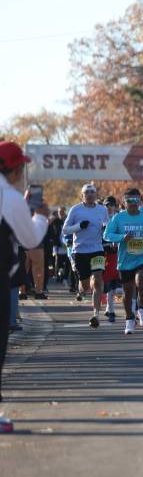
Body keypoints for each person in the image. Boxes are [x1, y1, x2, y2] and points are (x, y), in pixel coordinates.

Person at [0, 141, 49, 403]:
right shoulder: (9, 197)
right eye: (20, 166)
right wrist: (40, 216)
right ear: (14, 168)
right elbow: (30, 240)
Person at [103, 188, 143, 334]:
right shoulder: (118, 218)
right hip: (125, 259)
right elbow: (107, 235)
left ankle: (141, 308)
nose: (134, 204)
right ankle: (129, 319)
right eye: (130, 201)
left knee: (142, 280)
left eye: (136, 200)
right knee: (128, 292)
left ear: (140, 200)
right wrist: (121, 237)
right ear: (124, 202)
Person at [62, 183, 109, 328]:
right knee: (85, 285)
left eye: (92, 192)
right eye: (86, 192)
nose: (89, 194)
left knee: (97, 280)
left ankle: (96, 314)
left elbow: (108, 224)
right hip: (80, 251)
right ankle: (81, 290)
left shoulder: (102, 209)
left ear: (96, 195)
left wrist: (106, 228)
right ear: (82, 195)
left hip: (97, 249)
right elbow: (65, 230)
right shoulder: (76, 210)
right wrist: (79, 226)